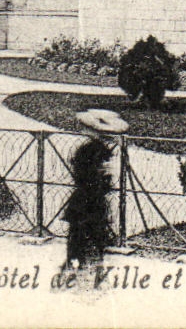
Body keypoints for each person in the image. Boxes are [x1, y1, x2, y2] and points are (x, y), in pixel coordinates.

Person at [61, 109, 125, 271]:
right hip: (93, 197)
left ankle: (75, 260)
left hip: (84, 196)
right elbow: (98, 176)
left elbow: (79, 172)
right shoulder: (99, 151)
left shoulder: (87, 149)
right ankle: (91, 262)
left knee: (79, 231)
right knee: (93, 230)